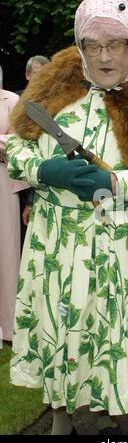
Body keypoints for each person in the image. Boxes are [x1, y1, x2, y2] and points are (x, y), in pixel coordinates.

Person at [7, 0, 128, 435]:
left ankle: (111, 415)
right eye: (94, 45)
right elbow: (14, 146)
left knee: (110, 330)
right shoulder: (53, 84)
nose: (105, 56)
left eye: (117, 44)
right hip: (59, 245)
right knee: (62, 326)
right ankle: (59, 417)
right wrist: (43, 168)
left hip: (124, 246)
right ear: (80, 43)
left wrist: (117, 182)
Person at [0, 66, 28, 342]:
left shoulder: (11, 100)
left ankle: (8, 327)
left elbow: (20, 141)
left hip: (3, 183)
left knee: (7, 254)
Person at [16, 55, 50, 246]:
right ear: (28, 75)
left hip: (36, 183)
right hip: (11, 180)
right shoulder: (13, 101)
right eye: (37, 74)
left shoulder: (54, 105)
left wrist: (30, 200)